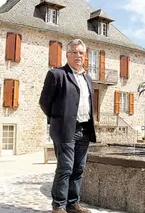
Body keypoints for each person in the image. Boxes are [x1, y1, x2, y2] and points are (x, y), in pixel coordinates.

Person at [39, 39, 96, 213]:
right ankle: (59, 206)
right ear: (67, 54)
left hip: (85, 129)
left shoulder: (87, 78)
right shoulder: (56, 74)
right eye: (74, 52)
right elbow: (44, 102)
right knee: (65, 167)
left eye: (81, 53)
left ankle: (73, 204)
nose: (78, 56)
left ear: (84, 56)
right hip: (65, 130)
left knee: (78, 168)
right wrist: (58, 119)